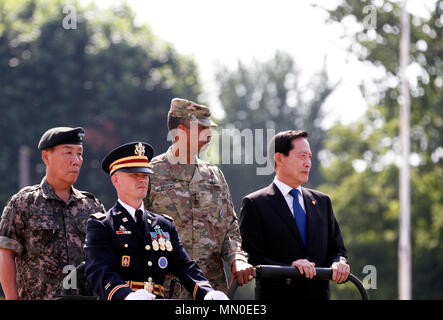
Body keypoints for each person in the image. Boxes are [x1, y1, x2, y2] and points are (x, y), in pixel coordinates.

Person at [84, 141, 227, 300]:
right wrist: (127, 296)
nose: (142, 180)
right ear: (116, 180)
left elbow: (184, 267)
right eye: (134, 175)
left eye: (145, 174)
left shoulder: (163, 225)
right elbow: (99, 271)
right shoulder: (103, 225)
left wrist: (207, 292)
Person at [145, 98, 255, 299]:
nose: (209, 135)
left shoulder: (215, 176)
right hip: (166, 291)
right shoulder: (149, 174)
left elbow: (230, 227)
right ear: (180, 131)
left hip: (211, 292)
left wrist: (237, 258)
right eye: (202, 128)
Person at [239, 130, 349, 300]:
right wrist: (288, 268)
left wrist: (340, 262)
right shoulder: (255, 203)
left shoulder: (322, 202)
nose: (308, 163)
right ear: (279, 158)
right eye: (302, 156)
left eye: (310, 157)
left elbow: (338, 249)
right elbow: (251, 256)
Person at [0, 127, 105, 300]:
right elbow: (6, 252)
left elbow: (104, 259)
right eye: (68, 153)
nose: (76, 161)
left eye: (79, 154)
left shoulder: (92, 206)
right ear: (46, 157)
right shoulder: (24, 203)